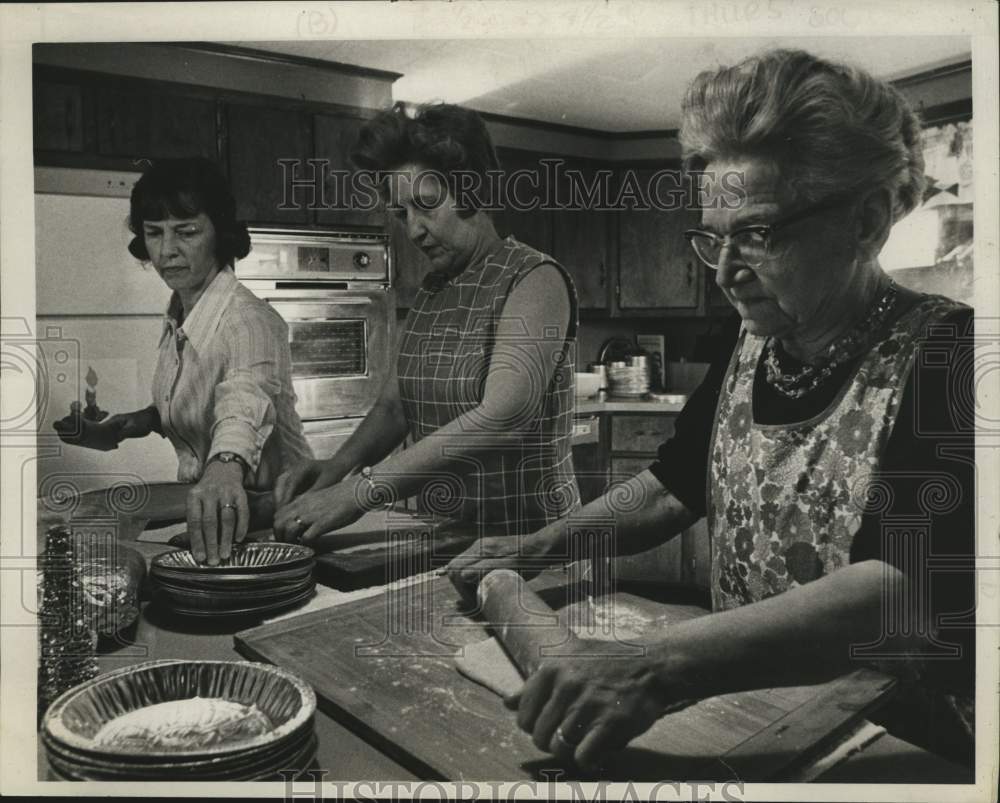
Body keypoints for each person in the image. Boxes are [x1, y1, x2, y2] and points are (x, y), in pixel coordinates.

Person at [447, 49, 975, 771]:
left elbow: (902, 586)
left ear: (869, 220)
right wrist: (538, 546)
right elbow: (673, 483)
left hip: (896, 748)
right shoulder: (752, 337)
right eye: (713, 237)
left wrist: (655, 664)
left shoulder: (950, 354)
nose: (725, 273)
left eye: (758, 233)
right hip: (754, 719)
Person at [273, 103, 580, 545]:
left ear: (470, 188)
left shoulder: (535, 279)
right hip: (444, 535)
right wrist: (335, 470)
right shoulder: (433, 290)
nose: (414, 230)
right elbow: (395, 408)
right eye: (401, 214)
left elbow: (501, 418)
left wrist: (357, 494)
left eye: (426, 205)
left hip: (533, 541)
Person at [53, 157, 313, 566]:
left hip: (281, 518)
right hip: (221, 509)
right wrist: (125, 426)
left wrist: (226, 464)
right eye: (154, 233)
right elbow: (195, 401)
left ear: (219, 234)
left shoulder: (250, 321)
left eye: (186, 232)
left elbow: (244, 399)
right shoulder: (180, 316)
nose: (167, 251)